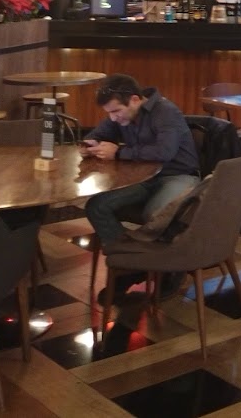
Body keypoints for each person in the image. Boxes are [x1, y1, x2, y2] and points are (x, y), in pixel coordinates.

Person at [83, 74, 200, 297]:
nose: (113, 118)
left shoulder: (166, 112)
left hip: (177, 175)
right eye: (109, 113)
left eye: (116, 111)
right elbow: (99, 133)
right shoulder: (121, 114)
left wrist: (119, 152)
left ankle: (171, 270)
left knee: (156, 215)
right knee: (96, 206)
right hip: (142, 178)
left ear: (135, 100)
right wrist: (89, 144)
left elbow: (164, 152)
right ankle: (132, 266)